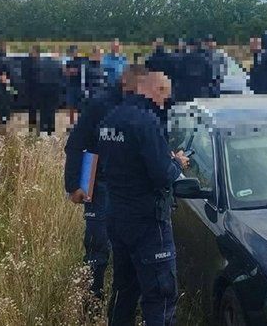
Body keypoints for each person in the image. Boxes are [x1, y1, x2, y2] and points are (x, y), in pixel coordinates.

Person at [96, 66, 190, 326]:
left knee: (124, 289)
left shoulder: (111, 118)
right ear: (156, 90)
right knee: (160, 296)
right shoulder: (146, 121)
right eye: (165, 97)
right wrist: (178, 163)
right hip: (148, 224)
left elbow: (112, 162)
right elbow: (162, 175)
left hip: (117, 217)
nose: (165, 104)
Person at [64, 66, 127, 301]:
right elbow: (74, 145)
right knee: (97, 248)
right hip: (99, 183)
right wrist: (73, 185)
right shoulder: (99, 106)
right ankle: (91, 304)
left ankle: (121, 303)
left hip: (130, 187)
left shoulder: (144, 108)